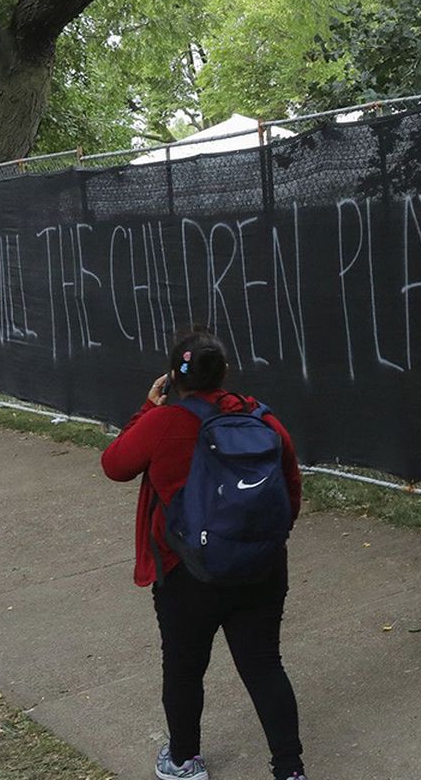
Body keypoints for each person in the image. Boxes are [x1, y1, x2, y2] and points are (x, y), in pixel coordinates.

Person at [101, 328, 307, 780]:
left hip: (185, 571)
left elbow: (115, 464)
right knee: (264, 665)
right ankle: (289, 770)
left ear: (174, 377)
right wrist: (261, 544)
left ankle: (182, 760)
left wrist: (146, 408)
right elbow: (291, 490)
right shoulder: (263, 420)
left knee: (183, 667)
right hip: (260, 568)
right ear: (225, 373)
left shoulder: (161, 422)